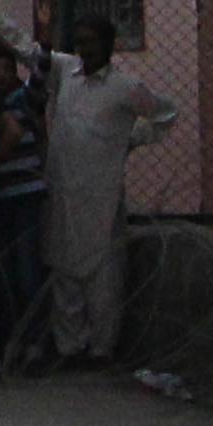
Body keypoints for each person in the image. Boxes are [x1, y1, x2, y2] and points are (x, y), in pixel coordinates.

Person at [45, 18, 179, 363]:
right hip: (63, 190)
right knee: (64, 271)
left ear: (108, 45)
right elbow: (29, 52)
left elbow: (166, 114)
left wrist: (131, 139)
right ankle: (69, 348)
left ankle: (101, 349)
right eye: (80, 42)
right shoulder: (65, 72)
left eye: (91, 42)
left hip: (101, 194)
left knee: (102, 275)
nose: (85, 49)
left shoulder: (124, 87)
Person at [0, 42, 50, 373]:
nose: (1, 75)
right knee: (4, 272)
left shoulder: (21, 101)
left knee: (27, 269)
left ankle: (34, 343)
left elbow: (42, 69)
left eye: (6, 68)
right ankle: (11, 342)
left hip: (25, 193)